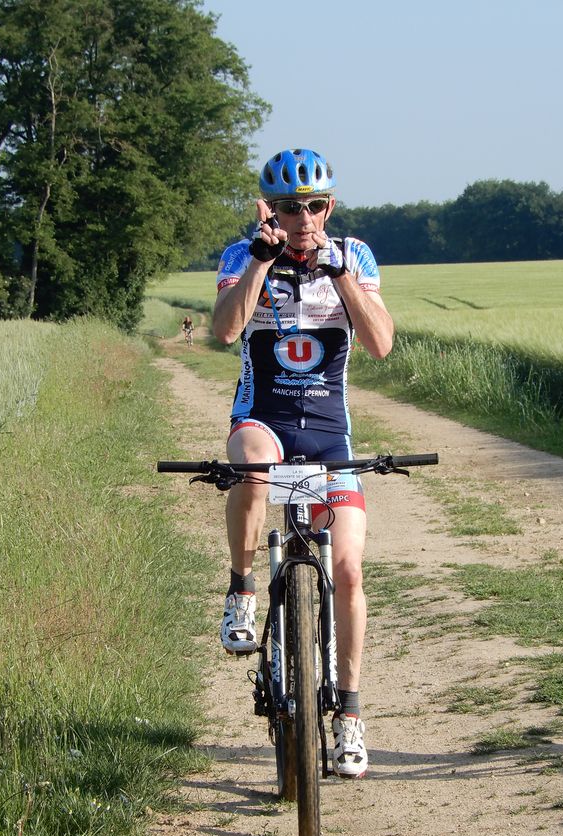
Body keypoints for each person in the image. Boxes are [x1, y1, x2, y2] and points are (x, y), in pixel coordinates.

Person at [212, 148, 394, 779]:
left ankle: (349, 712)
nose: (303, 219)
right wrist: (260, 261)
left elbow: (380, 344)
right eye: (290, 208)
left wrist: (339, 274)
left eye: (314, 206)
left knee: (348, 570)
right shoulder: (242, 255)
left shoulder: (355, 254)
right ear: (271, 210)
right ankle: (241, 590)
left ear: (329, 206)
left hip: (328, 434)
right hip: (263, 418)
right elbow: (225, 332)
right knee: (252, 468)